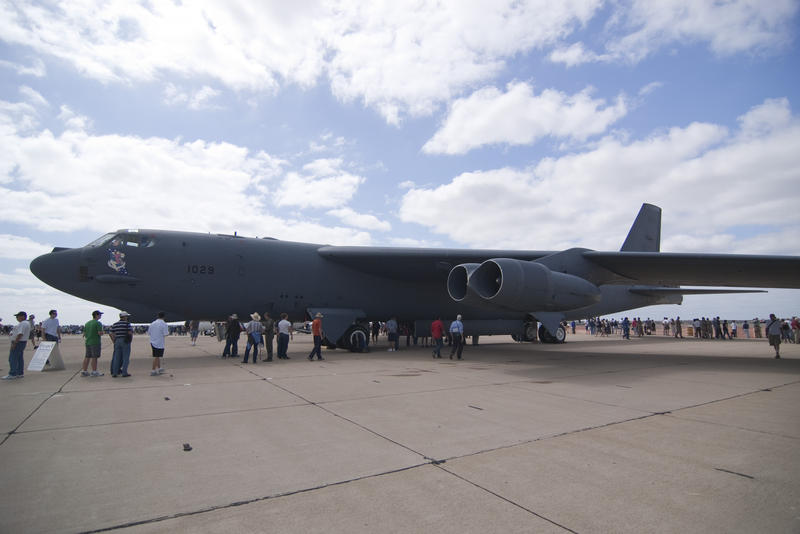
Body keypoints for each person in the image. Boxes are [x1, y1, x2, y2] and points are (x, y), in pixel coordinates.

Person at [3, 311, 31, 380]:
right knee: (19, 358)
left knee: (13, 358)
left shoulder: (23, 323)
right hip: (21, 342)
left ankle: (13, 373)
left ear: (23, 316)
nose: (16, 318)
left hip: (18, 342)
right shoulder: (26, 323)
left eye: (18, 316)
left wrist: (15, 343)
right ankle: (19, 373)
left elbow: (20, 334)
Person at [109, 311, 134, 377]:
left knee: (116, 357)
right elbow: (130, 332)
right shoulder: (127, 324)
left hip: (117, 340)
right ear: (125, 317)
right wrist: (130, 340)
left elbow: (111, 333)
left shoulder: (115, 324)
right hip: (125, 341)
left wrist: (114, 340)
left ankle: (115, 373)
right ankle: (124, 372)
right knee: (126, 357)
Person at [81, 310, 104, 377]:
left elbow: (84, 334)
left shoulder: (87, 323)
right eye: (100, 315)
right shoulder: (98, 323)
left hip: (88, 342)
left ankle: (84, 371)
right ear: (96, 315)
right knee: (94, 357)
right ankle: (94, 371)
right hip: (95, 342)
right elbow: (99, 333)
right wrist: (103, 332)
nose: (100, 316)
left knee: (87, 356)